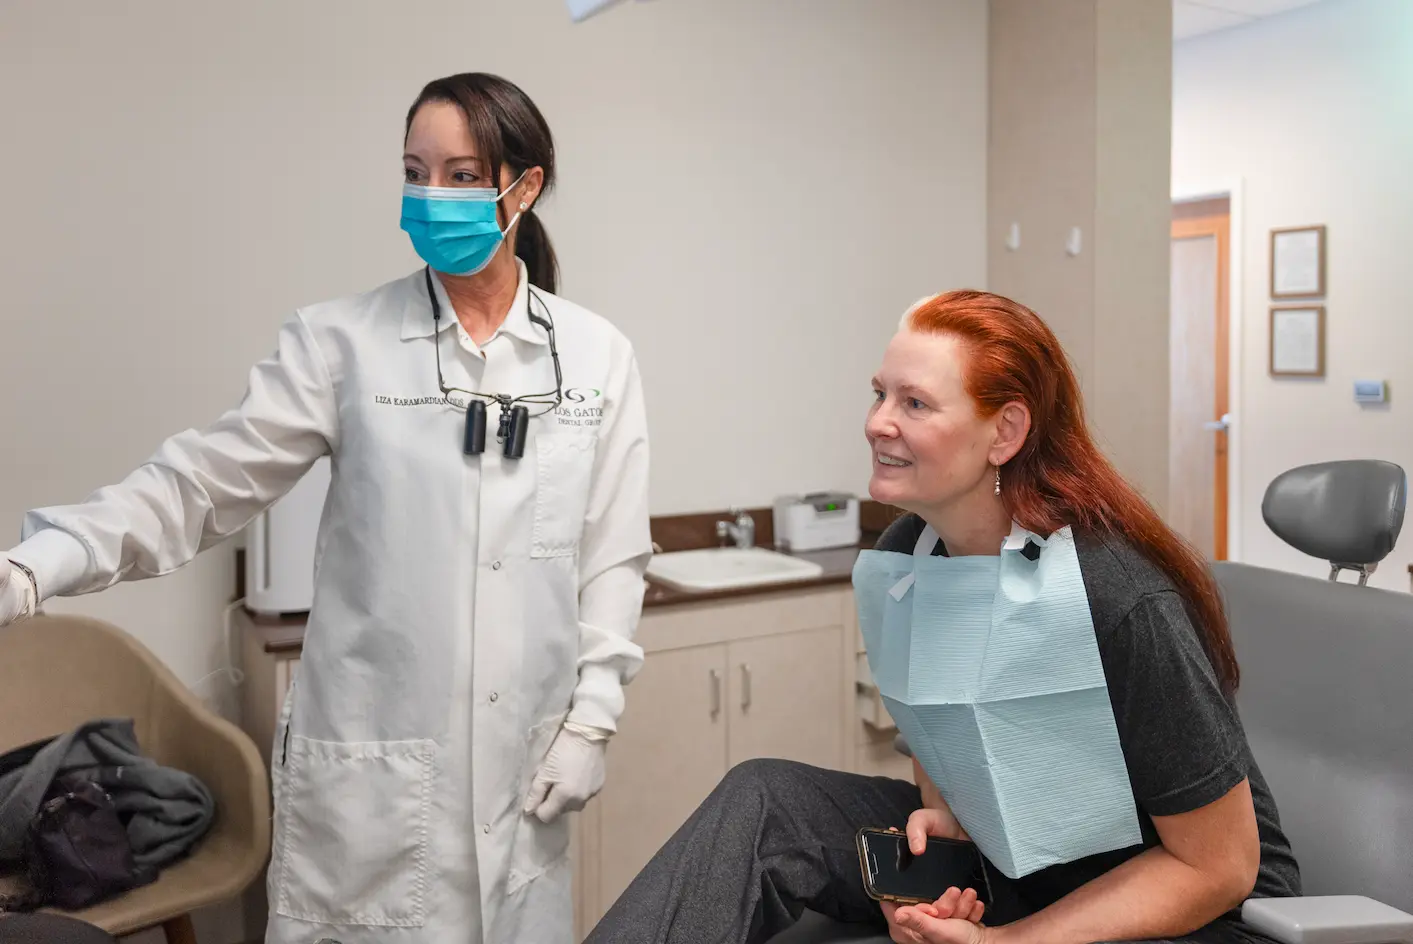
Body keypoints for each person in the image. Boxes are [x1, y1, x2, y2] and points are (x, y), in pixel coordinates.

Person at [0, 72, 652, 944]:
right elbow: (197, 486)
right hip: (373, 789)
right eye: (415, 170)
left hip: (523, 775)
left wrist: (592, 719)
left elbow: (611, 553)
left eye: (460, 175)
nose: (431, 195)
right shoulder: (340, 343)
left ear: (523, 188)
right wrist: (33, 566)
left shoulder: (596, 356)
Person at [583, 290, 1301, 944]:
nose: (876, 423)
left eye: (914, 404)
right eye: (877, 394)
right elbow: (940, 729)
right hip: (1008, 862)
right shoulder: (906, 561)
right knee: (766, 796)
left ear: (1004, 432)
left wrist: (1008, 943)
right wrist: (944, 828)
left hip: (1180, 909)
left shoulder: (1114, 595)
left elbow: (1220, 869)